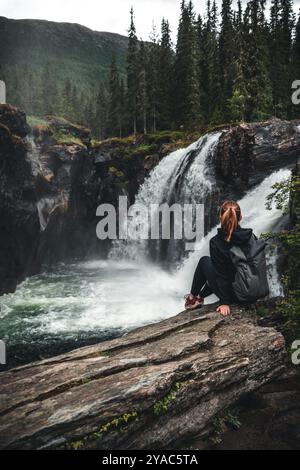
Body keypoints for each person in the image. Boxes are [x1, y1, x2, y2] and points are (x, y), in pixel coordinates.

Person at [184, 200, 256, 316]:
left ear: (220, 217)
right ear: (240, 217)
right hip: (252, 292)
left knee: (205, 261)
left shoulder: (216, 242)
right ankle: (199, 297)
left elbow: (221, 275)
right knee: (217, 267)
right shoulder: (251, 236)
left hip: (235, 296)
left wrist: (225, 302)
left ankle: (192, 298)